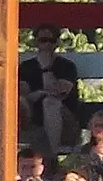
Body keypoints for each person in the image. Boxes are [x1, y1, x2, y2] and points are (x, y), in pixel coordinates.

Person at [18, 23, 79, 152]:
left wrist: (46, 69)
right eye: (43, 40)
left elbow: (59, 93)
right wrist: (40, 93)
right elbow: (24, 95)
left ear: (56, 43)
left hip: (64, 124)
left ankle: (51, 155)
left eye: (51, 41)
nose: (46, 45)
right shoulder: (26, 67)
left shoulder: (67, 66)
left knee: (50, 103)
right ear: (36, 42)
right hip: (33, 119)